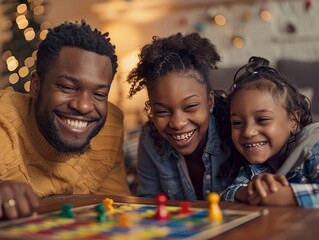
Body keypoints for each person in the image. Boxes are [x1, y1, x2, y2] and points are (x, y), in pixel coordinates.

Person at [0, 20, 130, 220]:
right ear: (35, 86)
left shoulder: (110, 126)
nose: (84, 106)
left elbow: (117, 210)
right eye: (68, 87)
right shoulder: (3, 123)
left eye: (99, 94)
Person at [127, 32, 240, 200]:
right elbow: (149, 202)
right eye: (162, 111)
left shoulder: (235, 129)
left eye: (190, 107)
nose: (178, 123)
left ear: (210, 102)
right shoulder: (150, 138)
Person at [221, 56, 319, 208]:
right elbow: (226, 195)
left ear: (293, 120)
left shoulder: (312, 149)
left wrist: (286, 195)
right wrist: (247, 192)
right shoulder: (254, 169)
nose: (247, 132)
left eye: (262, 119)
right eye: (237, 123)